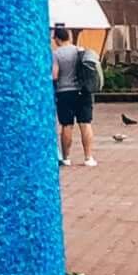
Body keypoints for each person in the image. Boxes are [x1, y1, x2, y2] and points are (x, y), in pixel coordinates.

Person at [53, 23, 98, 168]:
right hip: (83, 91)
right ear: (69, 37)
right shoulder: (81, 50)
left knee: (67, 125)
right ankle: (88, 157)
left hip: (65, 92)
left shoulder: (56, 54)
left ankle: (66, 158)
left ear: (57, 39)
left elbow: (55, 75)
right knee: (85, 124)